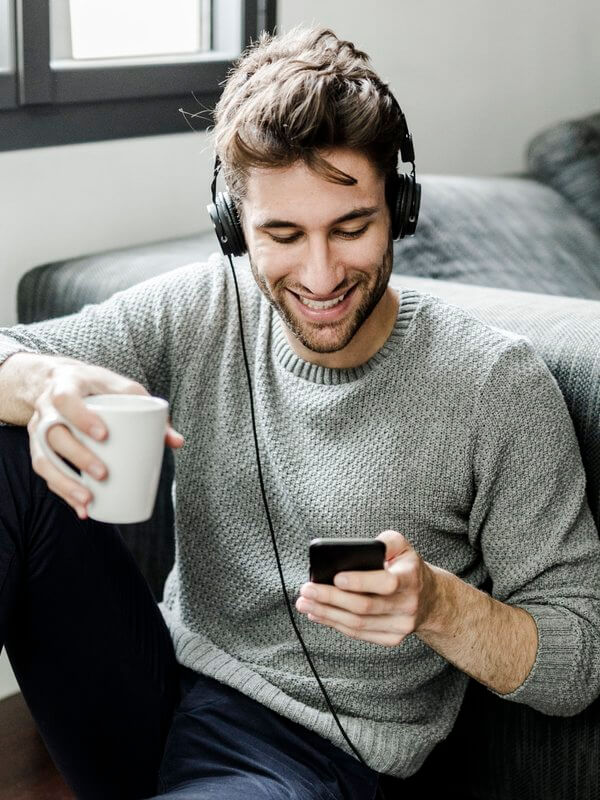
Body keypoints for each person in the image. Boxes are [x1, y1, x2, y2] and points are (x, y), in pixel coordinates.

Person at [1, 25, 599, 800]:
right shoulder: (206, 303)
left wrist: (438, 604)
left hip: (310, 756)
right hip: (159, 680)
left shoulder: (494, 385)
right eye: (281, 235)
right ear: (232, 226)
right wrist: (40, 381)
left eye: (352, 228)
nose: (321, 276)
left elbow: (581, 656)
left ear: (401, 206)